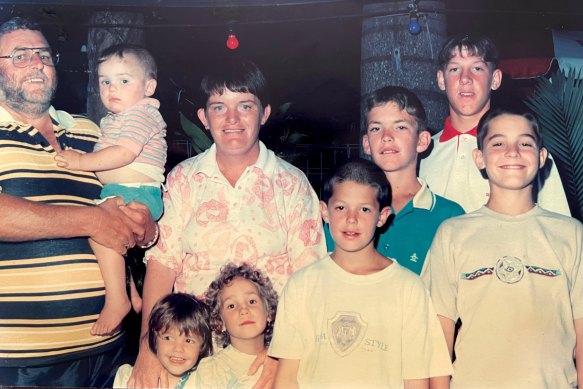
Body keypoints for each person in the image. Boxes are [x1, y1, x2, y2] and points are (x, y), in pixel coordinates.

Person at [128, 59, 326, 388]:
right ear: (204, 118)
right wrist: (148, 348)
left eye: (244, 106)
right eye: (219, 107)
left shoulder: (290, 183)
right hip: (189, 354)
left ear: (263, 114)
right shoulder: (183, 180)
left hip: (264, 359)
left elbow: (310, 277)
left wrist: (286, 354)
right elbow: (163, 265)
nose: (232, 119)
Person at [0, 17, 156, 388]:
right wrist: (91, 220)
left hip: (108, 354)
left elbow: (127, 196)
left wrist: (146, 228)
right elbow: (98, 219)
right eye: (20, 56)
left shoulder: (93, 130)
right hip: (20, 362)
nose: (37, 62)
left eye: (43, 55)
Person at [422, 107, 583, 388]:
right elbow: (439, 333)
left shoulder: (571, 234)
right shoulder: (453, 234)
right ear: (479, 158)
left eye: (525, 143)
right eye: (498, 143)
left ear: (542, 157)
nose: (512, 151)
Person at [270, 159, 452, 389]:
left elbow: (416, 380)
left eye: (364, 209)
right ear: (324, 211)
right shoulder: (301, 285)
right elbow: (287, 379)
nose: (351, 219)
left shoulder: (408, 288)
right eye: (340, 207)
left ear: (383, 216)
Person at [55, 43, 167, 336]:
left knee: (101, 234)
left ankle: (117, 299)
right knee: (112, 242)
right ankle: (131, 294)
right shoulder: (114, 119)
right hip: (123, 191)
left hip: (137, 191)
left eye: (124, 80)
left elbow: (124, 153)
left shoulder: (142, 114)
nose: (112, 88)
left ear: (149, 86)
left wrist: (80, 161)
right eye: (105, 81)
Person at [419, 34, 570, 215]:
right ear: (441, 80)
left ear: (495, 79)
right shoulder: (421, 153)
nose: (465, 78)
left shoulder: (526, 153)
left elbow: (559, 229)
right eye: (454, 69)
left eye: (477, 68)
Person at [325, 86, 464, 274]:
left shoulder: (448, 216)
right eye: (376, 128)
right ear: (367, 143)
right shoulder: (342, 212)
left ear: (422, 141)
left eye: (400, 127)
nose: (386, 137)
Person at [191, 262, 278, 389]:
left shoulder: (285, 358)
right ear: (219, 322)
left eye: (251, 301)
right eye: (231, 306)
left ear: (269, 312)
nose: (243, 310)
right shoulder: (213, 369)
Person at [114, 293, 212, 389]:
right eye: (168, 338)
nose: (178, 349)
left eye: (188, 340)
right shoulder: (130, 379)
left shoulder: (205, 381)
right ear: (154, 340)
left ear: (202, 346)